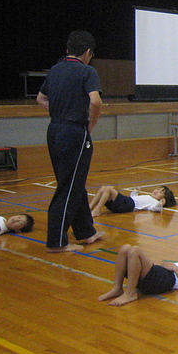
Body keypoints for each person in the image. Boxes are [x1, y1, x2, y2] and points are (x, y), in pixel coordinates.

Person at [36, 30, 104, 252]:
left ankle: (87, 232)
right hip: (74, 132)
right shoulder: (87, 71)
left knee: (73, 182)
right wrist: (90, 125)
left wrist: (59, 110)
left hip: (54, 130)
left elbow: (41, 98)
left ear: (68, 50)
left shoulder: (55, 70)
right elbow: (95, 102)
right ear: (87, 52)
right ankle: (56, 242)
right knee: (69, 186)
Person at [97, 244, 178, 306]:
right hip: (162, 274)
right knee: (125, 248)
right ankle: (117, 288)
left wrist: (175, 268)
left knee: (135, 251)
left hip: (165, 280)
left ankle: (130, 292)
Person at [90, 185, 176, 216]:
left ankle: (97, 210)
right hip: (127, 201)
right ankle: (89, 208)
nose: (157, 191)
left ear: (163, 198)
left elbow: (155, 209)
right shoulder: (149, 196)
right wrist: (135, 192)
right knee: (103, 189)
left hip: (127, 205)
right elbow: (134, 198)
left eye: (161, 192)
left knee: (108, 189)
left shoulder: (154, 202)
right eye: (158, 189)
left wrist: (160, 204)